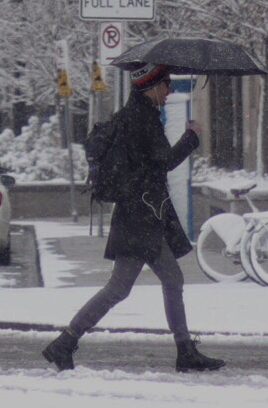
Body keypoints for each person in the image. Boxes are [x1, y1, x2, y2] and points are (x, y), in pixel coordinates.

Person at [42, 65, 225, 373]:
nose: (168, 91)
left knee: (152, 282)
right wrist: (191, 138)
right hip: (141, 217)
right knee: (128, 286)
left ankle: (183, 350)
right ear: (150, 87)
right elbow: (163, 161)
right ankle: (65, 342)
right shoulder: (142, 119)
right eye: (165, 84)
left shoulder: (135, 116)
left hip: (139, 214)